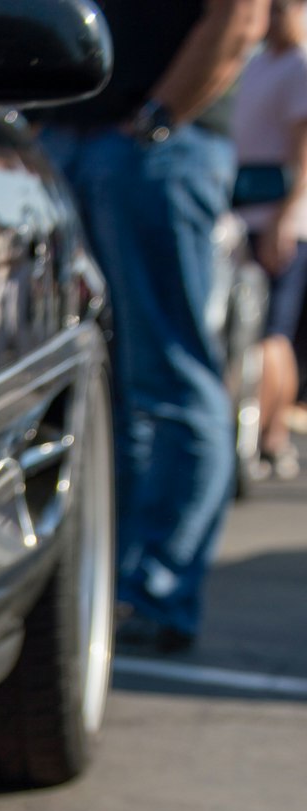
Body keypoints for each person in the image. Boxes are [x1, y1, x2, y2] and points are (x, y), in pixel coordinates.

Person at [42, 0, 269, 652]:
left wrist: (157, 119)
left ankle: (160, 592)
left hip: (157, 145)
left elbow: (240, 18)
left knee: (169, 378)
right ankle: (113, 586)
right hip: (87, 139)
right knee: (103, 386)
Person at [233, 0, 307, 479]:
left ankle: (272, 434)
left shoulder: (301, 67)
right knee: (247, 332)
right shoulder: (257, 64)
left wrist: (288, 215)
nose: (275, 17)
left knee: (271, 335)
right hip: (241, 214)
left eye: (285, 8)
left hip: (282, 220)